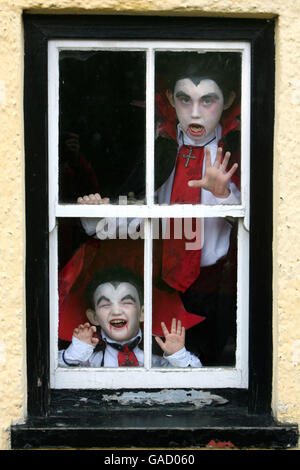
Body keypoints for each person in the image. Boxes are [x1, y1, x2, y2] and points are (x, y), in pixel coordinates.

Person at [59, 52, 241, 364]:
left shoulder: (241, 148)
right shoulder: (158, 150)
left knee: (210, 367)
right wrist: (98, 215)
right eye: (185, 99)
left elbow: (270, 220)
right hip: (157, 281)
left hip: (218, 286)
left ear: (228, 100)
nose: (195, 113)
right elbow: (134, 214)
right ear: (170, 99)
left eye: (207, 100)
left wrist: (224, 196)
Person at [59, 265, 202, 368]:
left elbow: (197, 379)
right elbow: (52, 373)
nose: (116, 311)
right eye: (105, 305)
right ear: (94, 317)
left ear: (142, 313)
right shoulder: (89, 354)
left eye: (126, 302)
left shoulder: (156, 351)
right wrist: (74, 354)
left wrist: (178, 356)